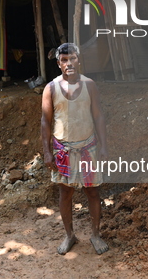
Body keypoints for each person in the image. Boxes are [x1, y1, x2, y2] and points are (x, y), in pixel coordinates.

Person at [41, 43, 109, 255]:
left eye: (72, 59)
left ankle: (95, 235)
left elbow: (98, 116)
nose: (69, 63)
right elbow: (45, 120)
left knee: (93, 191)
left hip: (88, 146)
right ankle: (69, 235)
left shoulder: (90, 85)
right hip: (63, 150)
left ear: (79, 60)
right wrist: (47, 151)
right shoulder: (50, 88)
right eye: (64, 60)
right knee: (65, 192)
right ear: (59, 63)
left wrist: (104, 146)